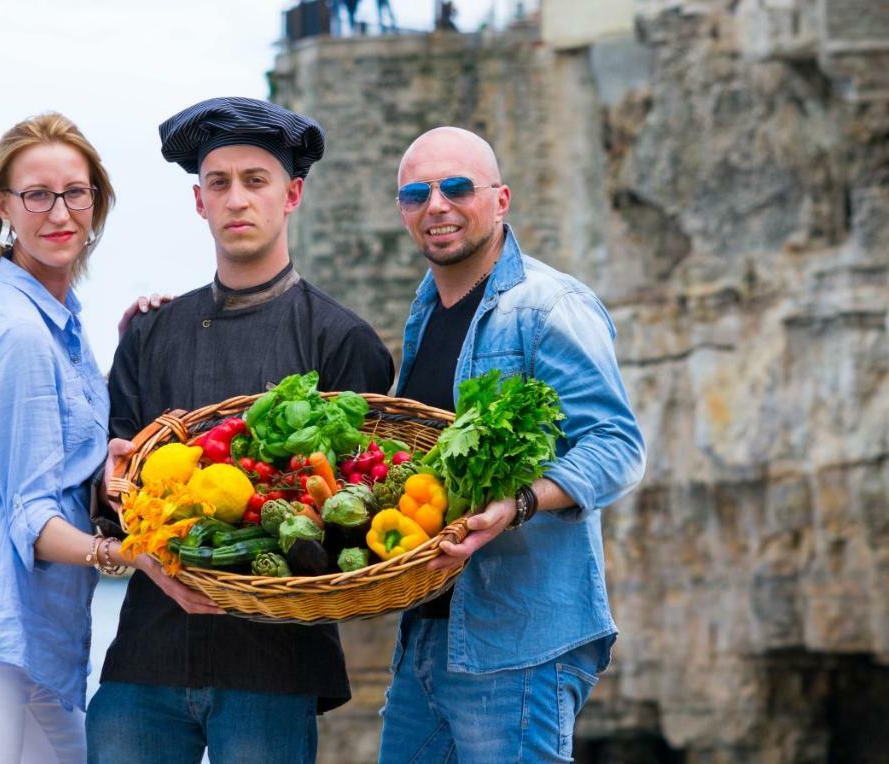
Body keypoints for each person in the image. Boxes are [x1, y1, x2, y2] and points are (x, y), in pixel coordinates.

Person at [85, 96, 395, 764]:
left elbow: (364, 512)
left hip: (274, 670)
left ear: (293, 195)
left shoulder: (342, 340)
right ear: (199, 202)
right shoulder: (151, 333)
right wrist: (112, 489)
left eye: (256, 181)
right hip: (147, 657)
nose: (237, 200)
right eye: (219, 184)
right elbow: (107, 486)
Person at [0, 112, 216, 764]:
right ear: (4, 208)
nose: (60, 211)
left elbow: (60, 443)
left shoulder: (61, 322)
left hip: (34, 628)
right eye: (37, 194)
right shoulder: (19, 333)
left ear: (96, 202)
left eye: (77, 191)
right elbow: (31, 517)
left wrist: (134, 347)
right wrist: (134, 556)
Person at [378, 127, 646, 761]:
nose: (436, 205)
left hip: (518, 646)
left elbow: (617, 446)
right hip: (428, 635)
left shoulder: (549, 307)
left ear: (501, 200)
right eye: (417, 193)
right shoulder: (426, 311)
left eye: (457, 188)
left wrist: (517, 503)